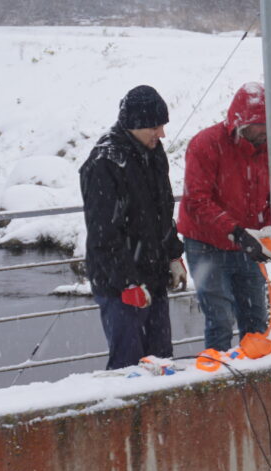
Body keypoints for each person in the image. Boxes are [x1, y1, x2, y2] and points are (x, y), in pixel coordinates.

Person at [177, 82, 271, 352]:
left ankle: (254, 380)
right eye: (260, 125)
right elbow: (197, 199)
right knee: (219, 320)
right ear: (241, 123)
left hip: (250, 246)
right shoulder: (206, 144)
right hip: (207, 245)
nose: (266, 131)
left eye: (270, 124)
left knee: (255, 321)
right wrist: (236, 231)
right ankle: (219, 378)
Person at [80, 84, 186, 371]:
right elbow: (104, 233)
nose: (161, 133)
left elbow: (163, 211)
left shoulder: (153, 152)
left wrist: (174, 255)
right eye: (155, 126)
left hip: (154, 274)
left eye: (162, 126)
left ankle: (163, 415)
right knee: (128, 365)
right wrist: (127, 282)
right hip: (119, 285)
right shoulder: (105, 162)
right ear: (135, 124)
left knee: (162, 360)